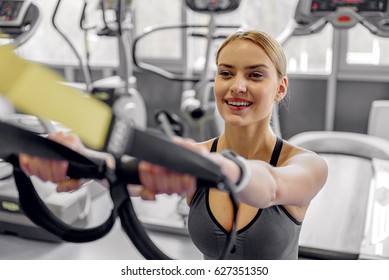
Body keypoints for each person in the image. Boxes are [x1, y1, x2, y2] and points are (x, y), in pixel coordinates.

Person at [19, 30, 328, 260]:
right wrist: (79, 159)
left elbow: (271, 186)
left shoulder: (308, 165)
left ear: (280, 87)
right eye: (226, 73)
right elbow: (128, 173)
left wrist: (215, 167)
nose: (237, 86)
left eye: (256, 74)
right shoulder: (196, 156)